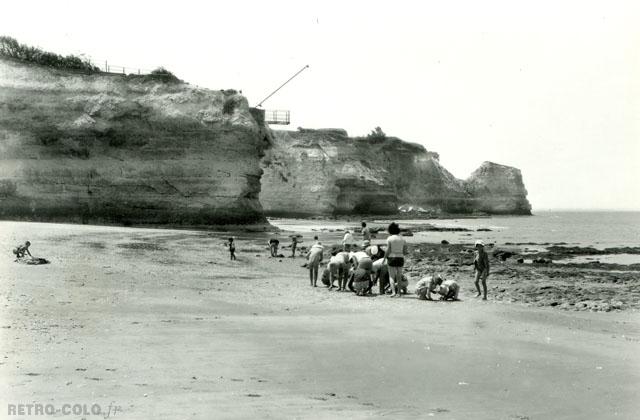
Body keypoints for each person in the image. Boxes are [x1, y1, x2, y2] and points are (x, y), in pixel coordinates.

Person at [382, 222, 408, 297]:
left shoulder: (389, 238)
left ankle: (393, 292)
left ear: (390, 230)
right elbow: (405, 251)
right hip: (400, 257)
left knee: (391, 276)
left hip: (392, 257)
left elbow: (388, 250)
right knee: (399, 276)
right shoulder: (402, 239)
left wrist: (384, 259)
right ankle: (399, 292)